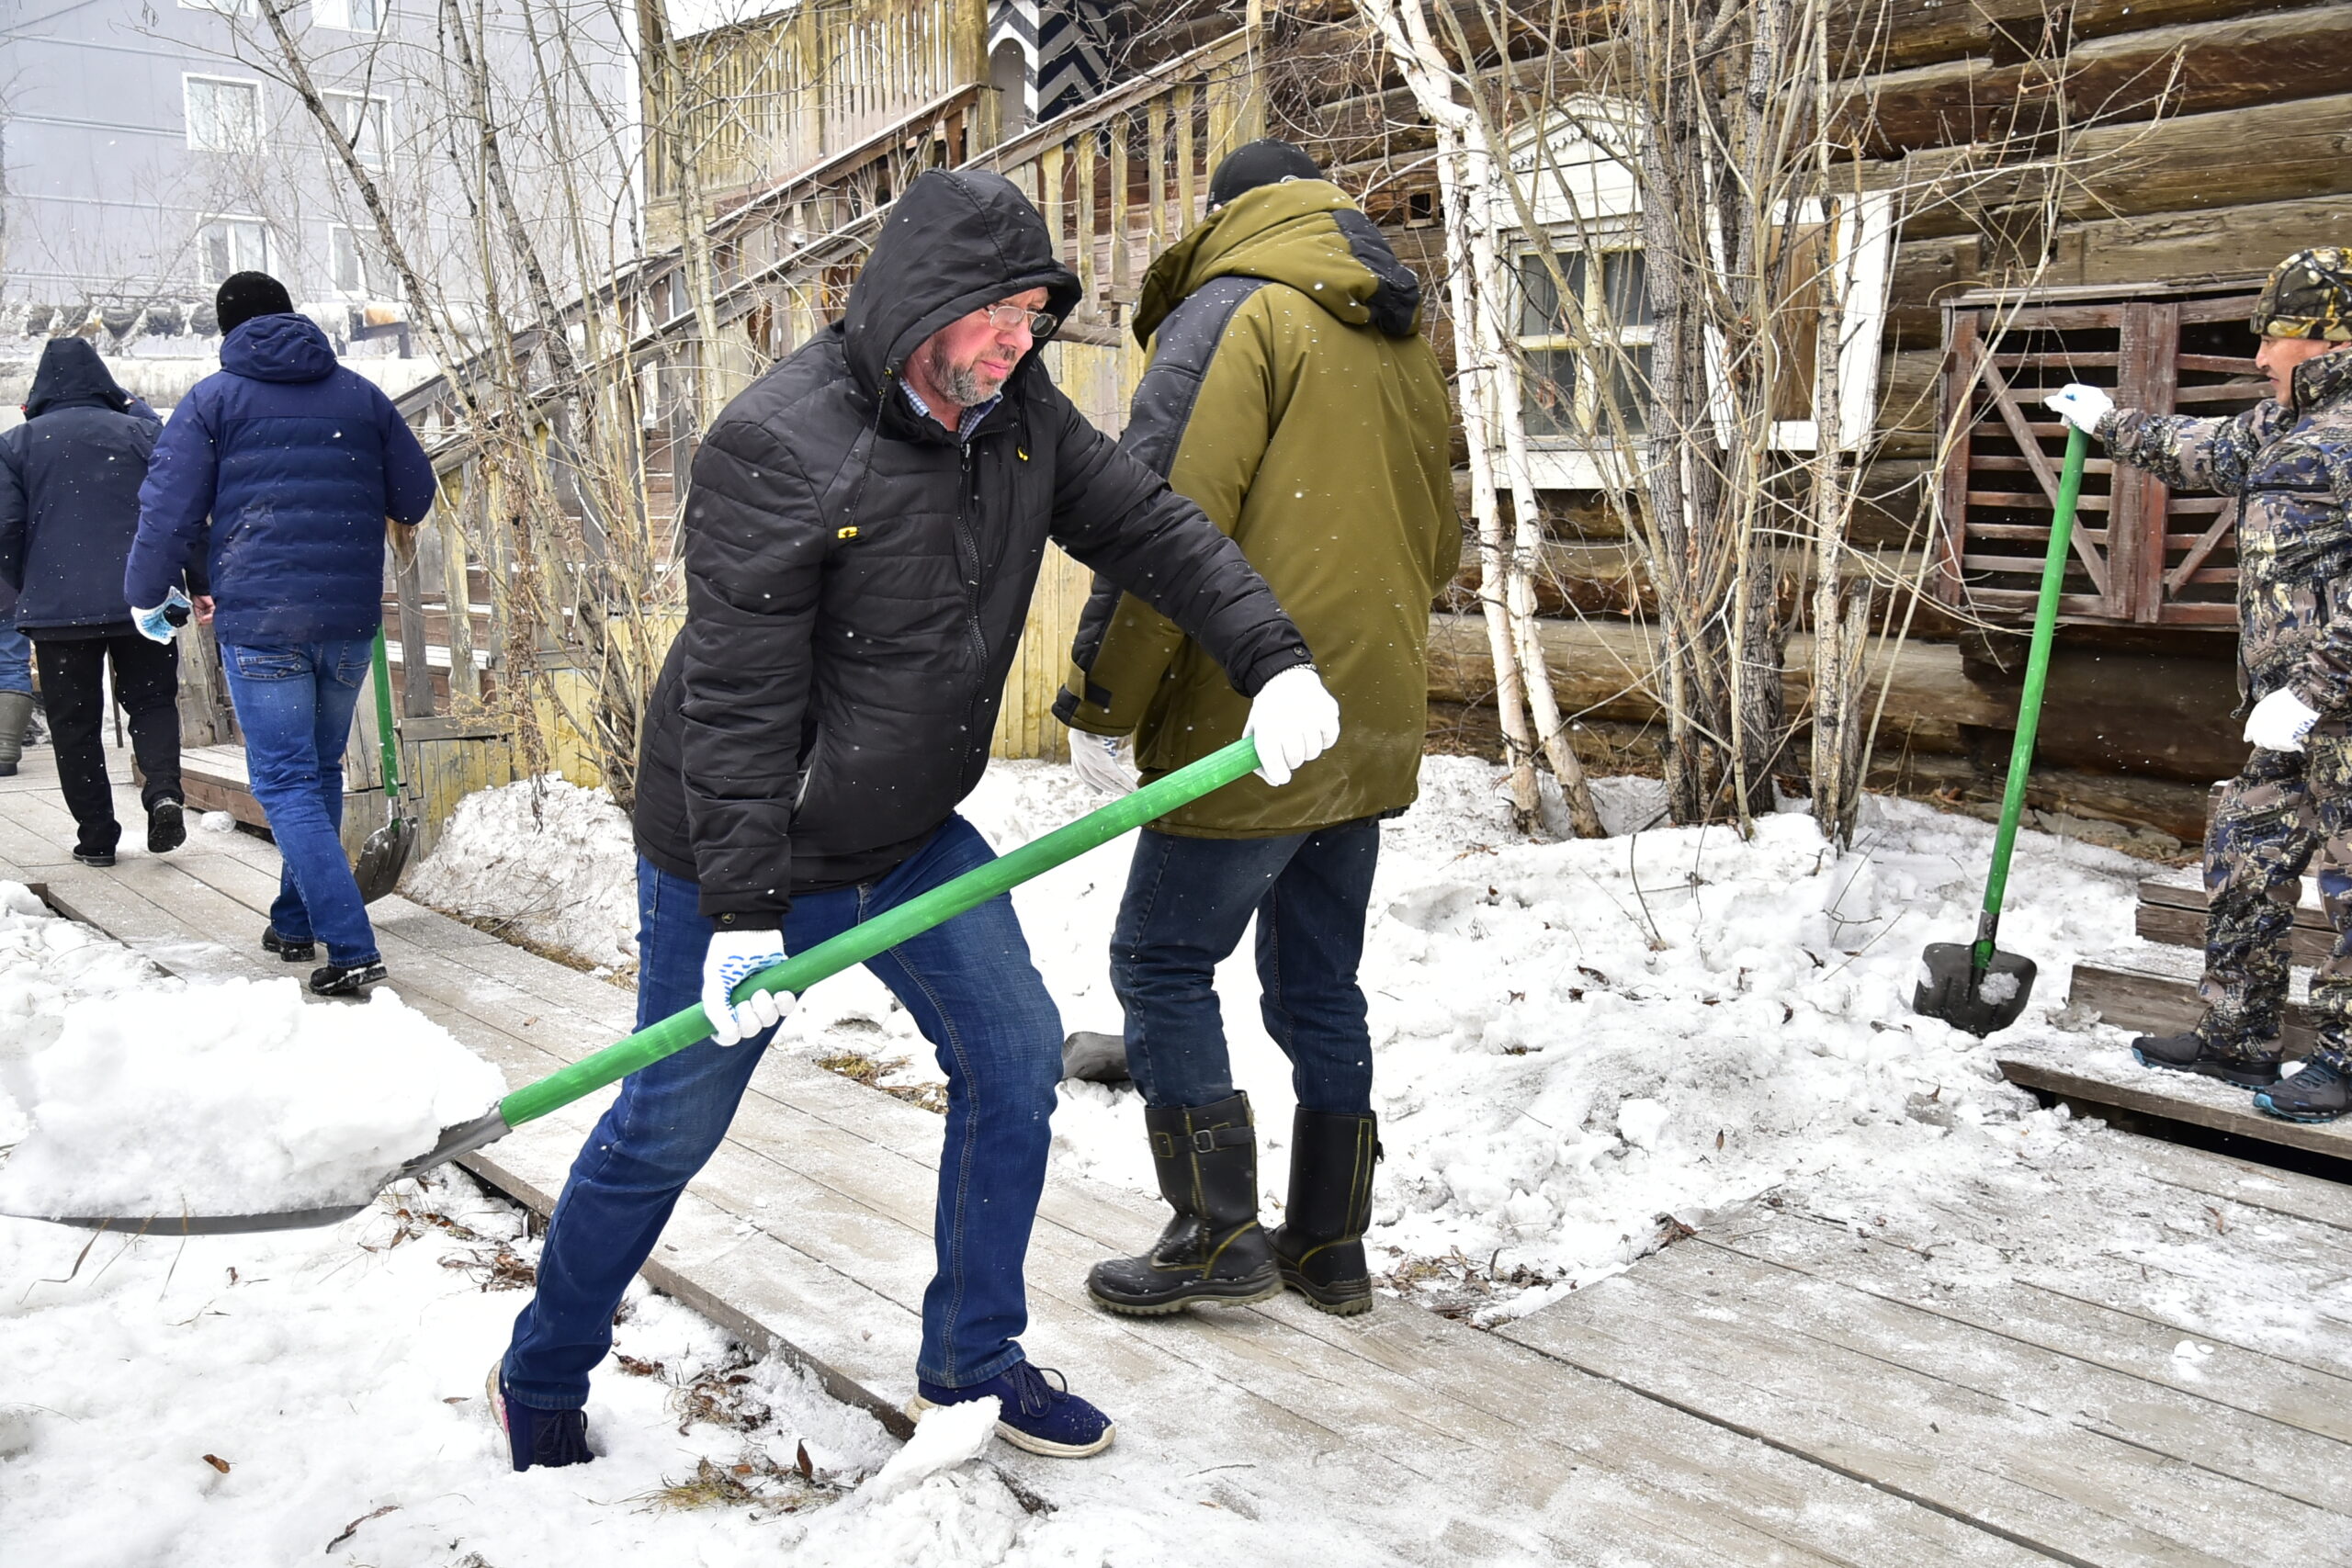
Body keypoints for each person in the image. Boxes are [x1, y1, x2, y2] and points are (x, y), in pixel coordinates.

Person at [489, 168, 1338, 1473]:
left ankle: (974, 1359)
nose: (1017, 339)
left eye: (1033, 315)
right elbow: (735, 701)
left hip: (909, 834)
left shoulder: (1021, 417)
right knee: (670, 1120)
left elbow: (1153, 527)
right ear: (920, 304)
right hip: (745, 840)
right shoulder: (776, 443)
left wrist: (1272, 656)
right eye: (994, 313)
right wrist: (740, 913)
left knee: (1014, 1058)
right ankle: (543, 1360)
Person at [1055, 141, 1457, 1318]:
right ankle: (1330, 1246)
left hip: (1251, 718)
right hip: (1365, 716)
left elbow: (1158, 525)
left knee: (1162, 959)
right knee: (1319, 985)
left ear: (1228, 213)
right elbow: (1435, 542)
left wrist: (1102, 700)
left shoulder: (1234, 314)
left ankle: (1214, 1232)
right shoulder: (1394, 334)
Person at [2048, 247, 2352, 1123]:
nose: (2261, 357)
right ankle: (2236, 1032)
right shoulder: (2286, 427)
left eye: (2277, 337)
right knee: (2245, 860)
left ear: (2330, 338)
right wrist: (2111, 423)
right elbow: (2205, 449)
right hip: (2283, 721)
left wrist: (2318, 687)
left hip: (2334, 711)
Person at [124, 272, 436, 994]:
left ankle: (351, 945)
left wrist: (145, 596)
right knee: (317, 772)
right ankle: (295, 918)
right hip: (347, 618)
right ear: (293, 318)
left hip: (263, 622)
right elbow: (414, 494)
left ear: (226, 327)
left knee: (286, 781)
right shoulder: (359, 394)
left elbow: (167, 514)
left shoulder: (212, 401)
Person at [0, 338, 178, 860]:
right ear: (105, 384)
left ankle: (97, 836)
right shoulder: (144, 432)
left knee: (73, 722)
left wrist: (29, 578)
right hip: (143, 601)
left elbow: (5, 526)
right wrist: (192, 578)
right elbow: (177, 512)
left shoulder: (16, 445)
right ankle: (164, 790)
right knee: (151, 700)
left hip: (57, 611)